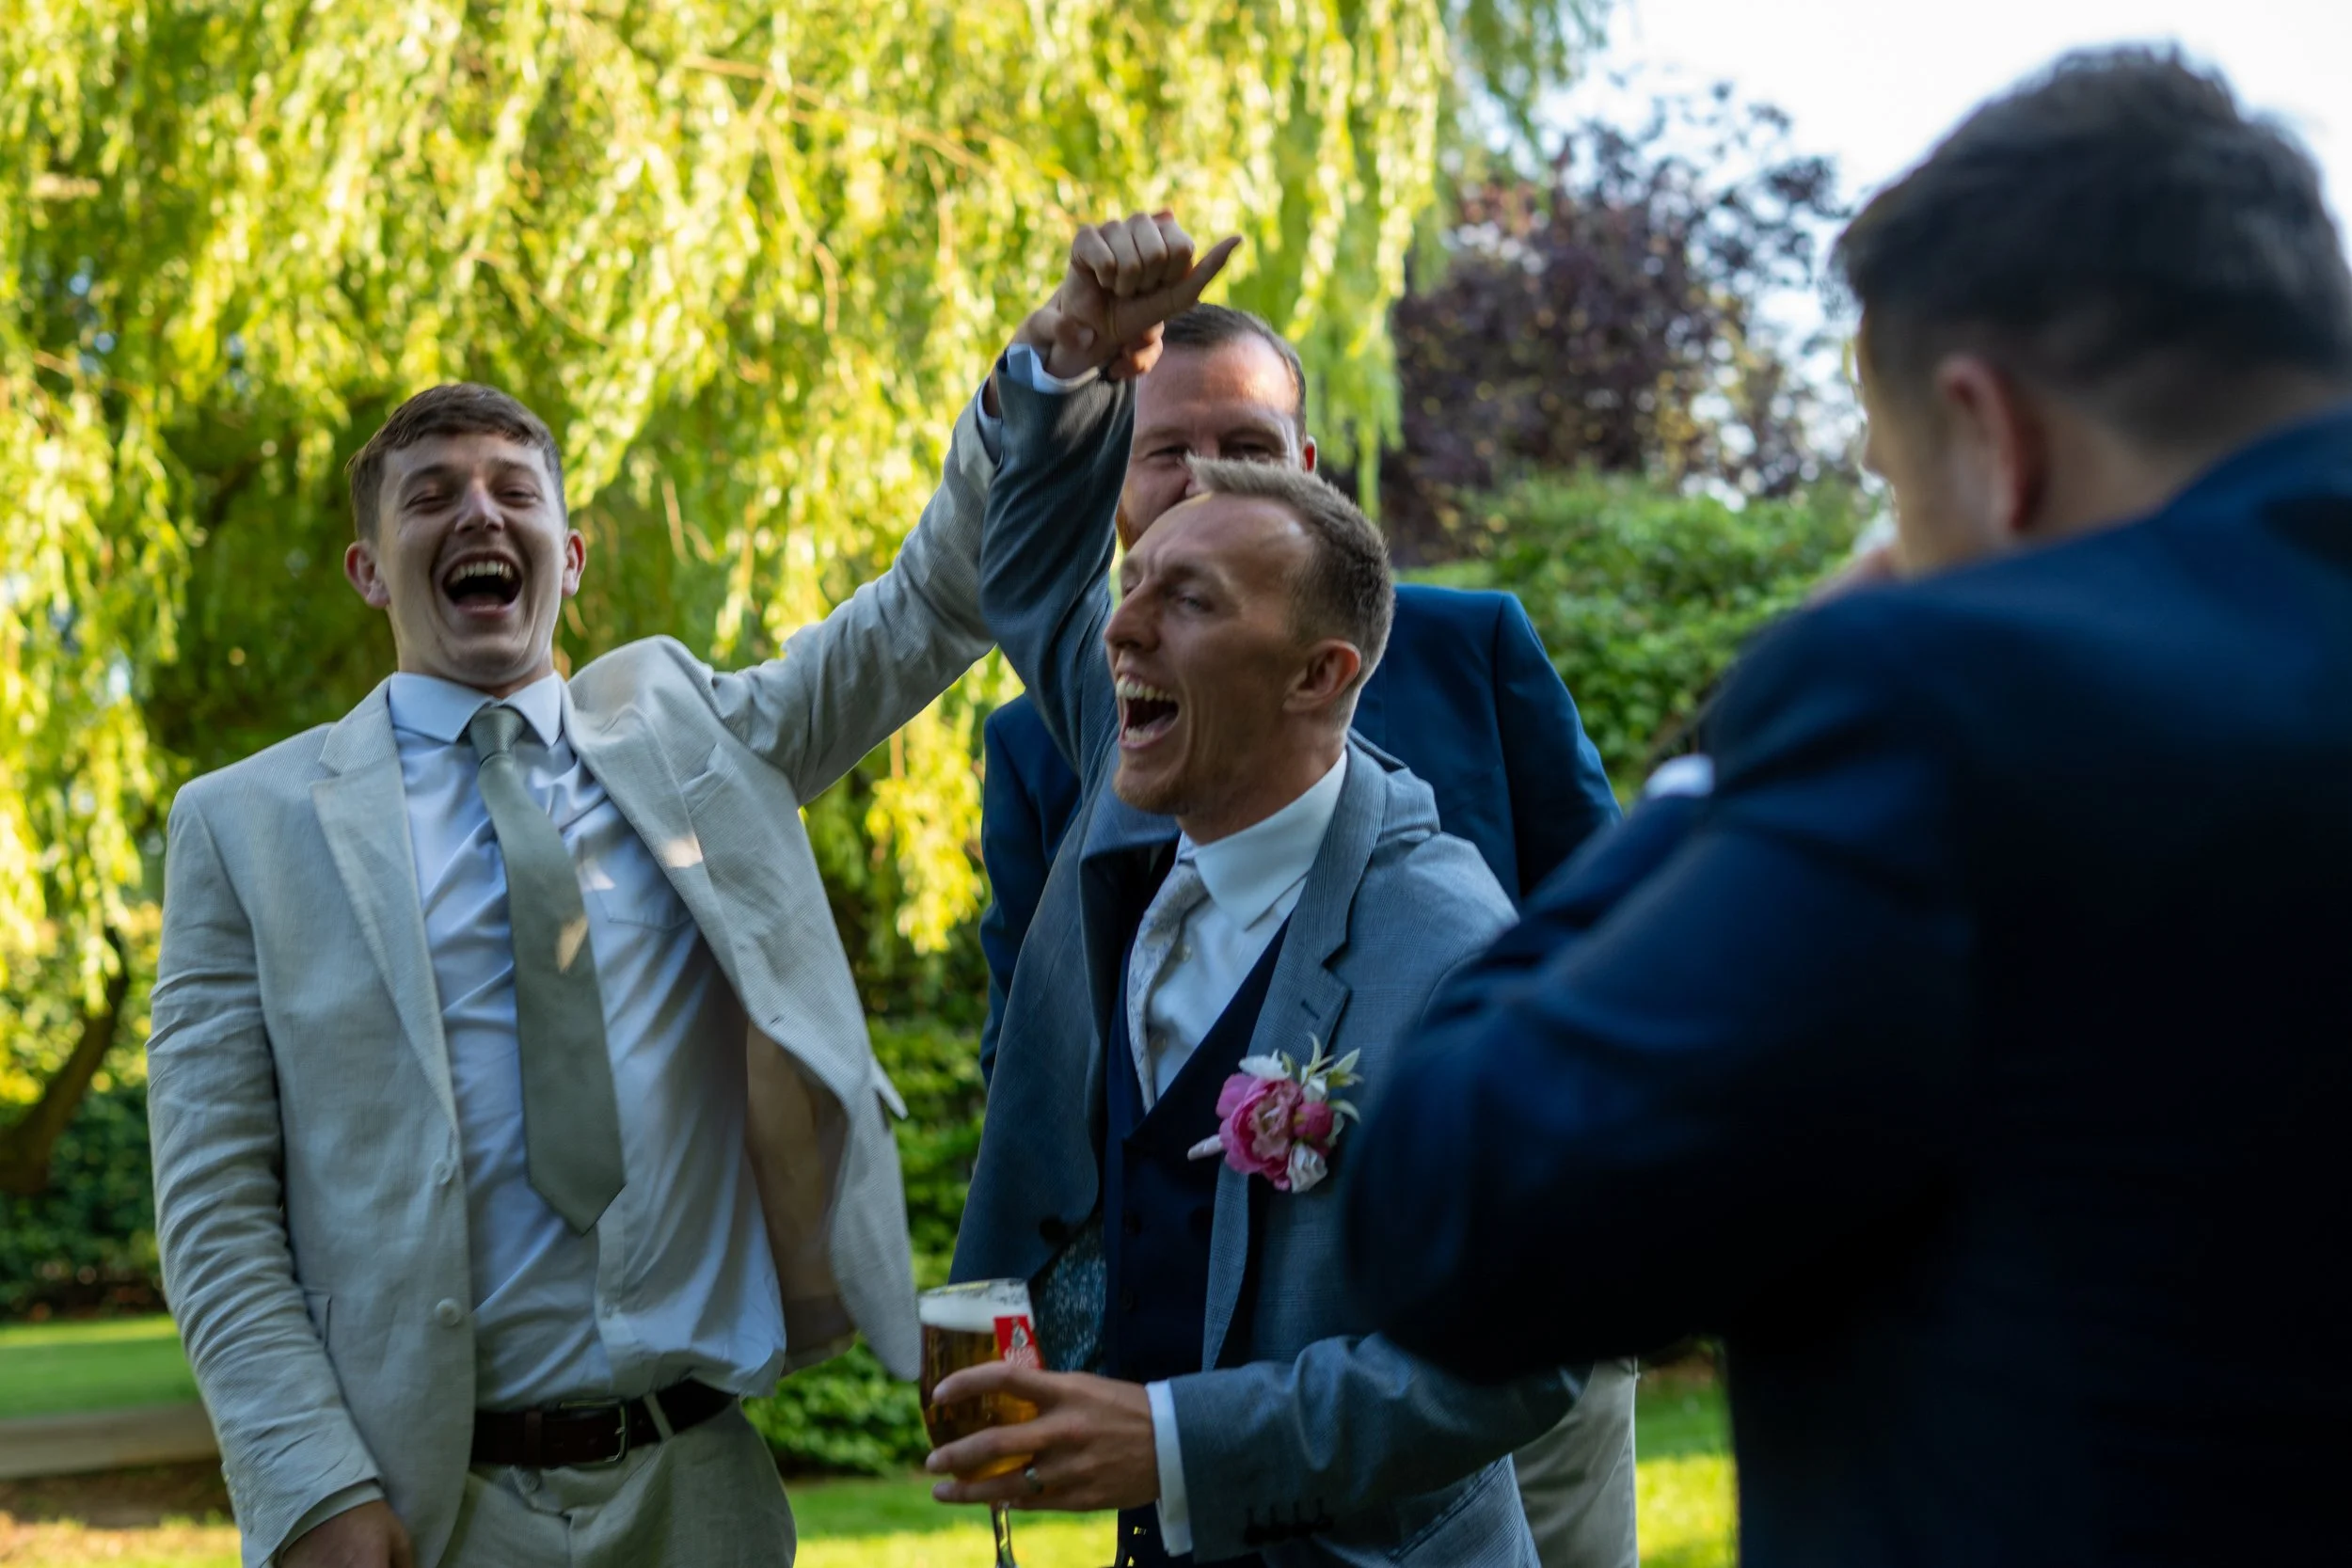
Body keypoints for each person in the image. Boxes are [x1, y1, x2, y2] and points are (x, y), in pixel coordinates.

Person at [1342, 48, 2352, 1567]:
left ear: (1993, 437)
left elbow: (1460, 1216)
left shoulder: (1949, 704)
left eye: (1897, 483)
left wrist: (1725, 762)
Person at [143, 214, 1220, 1568]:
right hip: (429, 1509)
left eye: (512, 491)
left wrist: (1061, 362)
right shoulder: (242, 826)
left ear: (569, 556)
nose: (478, 513)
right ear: (371, 570)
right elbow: (215, 1207)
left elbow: (929, 606)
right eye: (430, 495)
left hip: (700, 1488)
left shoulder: (689, 734)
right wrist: (309, 1486)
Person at [930, 217, 1579, 1568]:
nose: (1119, 630)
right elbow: (1028, 579)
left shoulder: (1454, 957)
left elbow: (1524, 1361)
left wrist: (1170, 1441)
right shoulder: (1125, 759)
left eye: (1192, 601)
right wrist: (1077, 353)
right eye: (1136, 585)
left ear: (1319, 675)